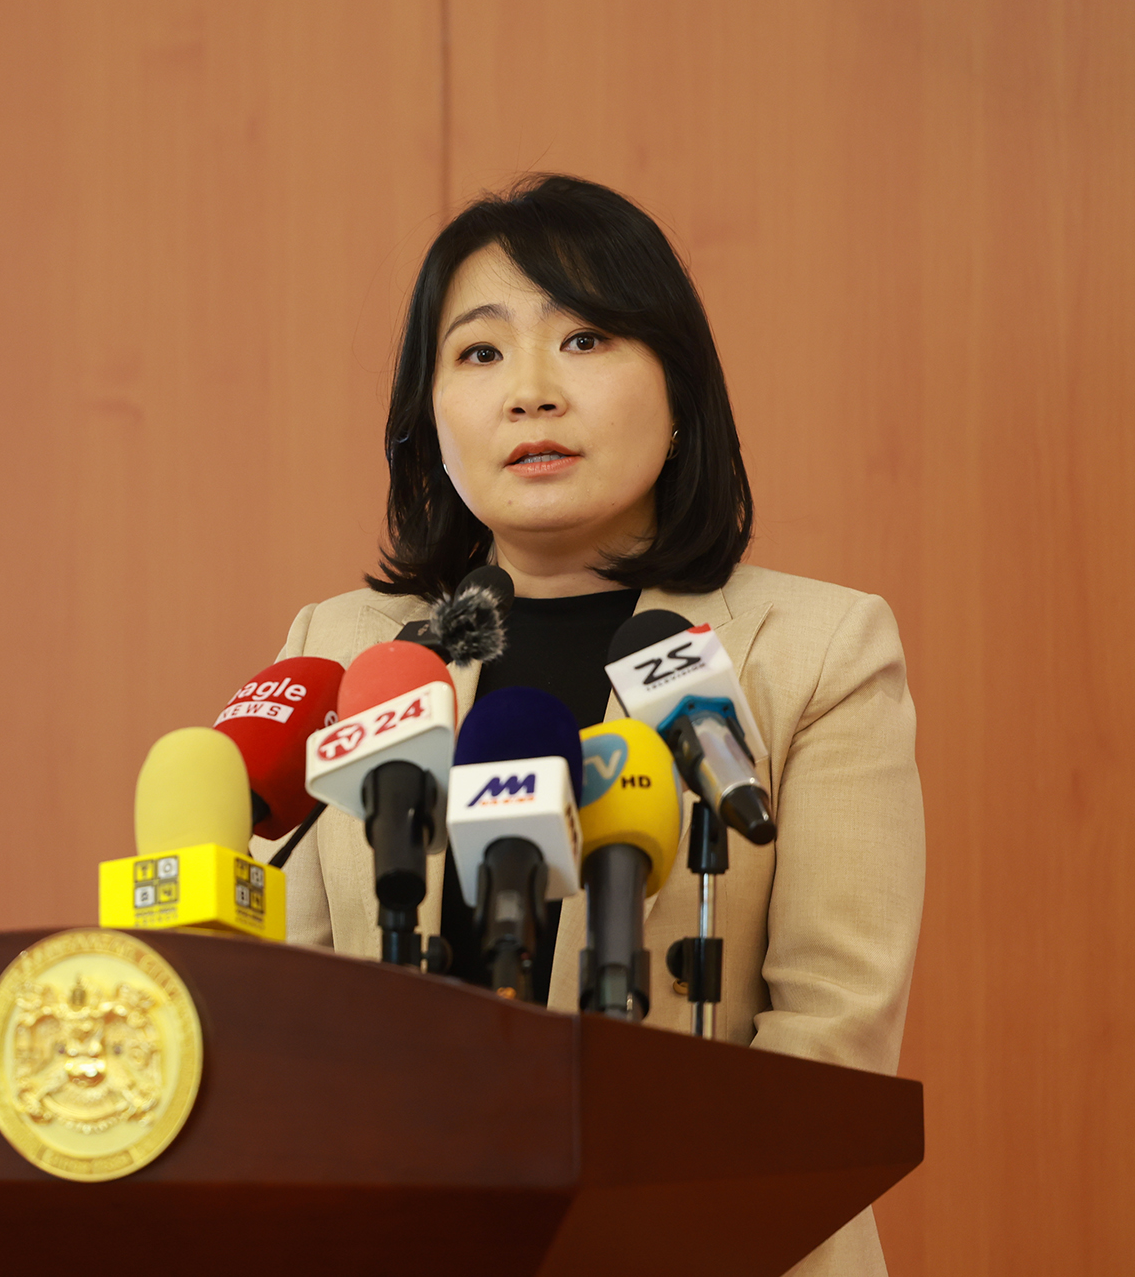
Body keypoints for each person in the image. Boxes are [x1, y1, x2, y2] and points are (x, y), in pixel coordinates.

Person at [251, 175, 924, 1277]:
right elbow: (290, 1015)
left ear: (679, 388)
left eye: (585, 340)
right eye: (479, 352)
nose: (529, 393)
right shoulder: (347, 649)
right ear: (428, 418)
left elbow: (828, 1046)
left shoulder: (816, 650)